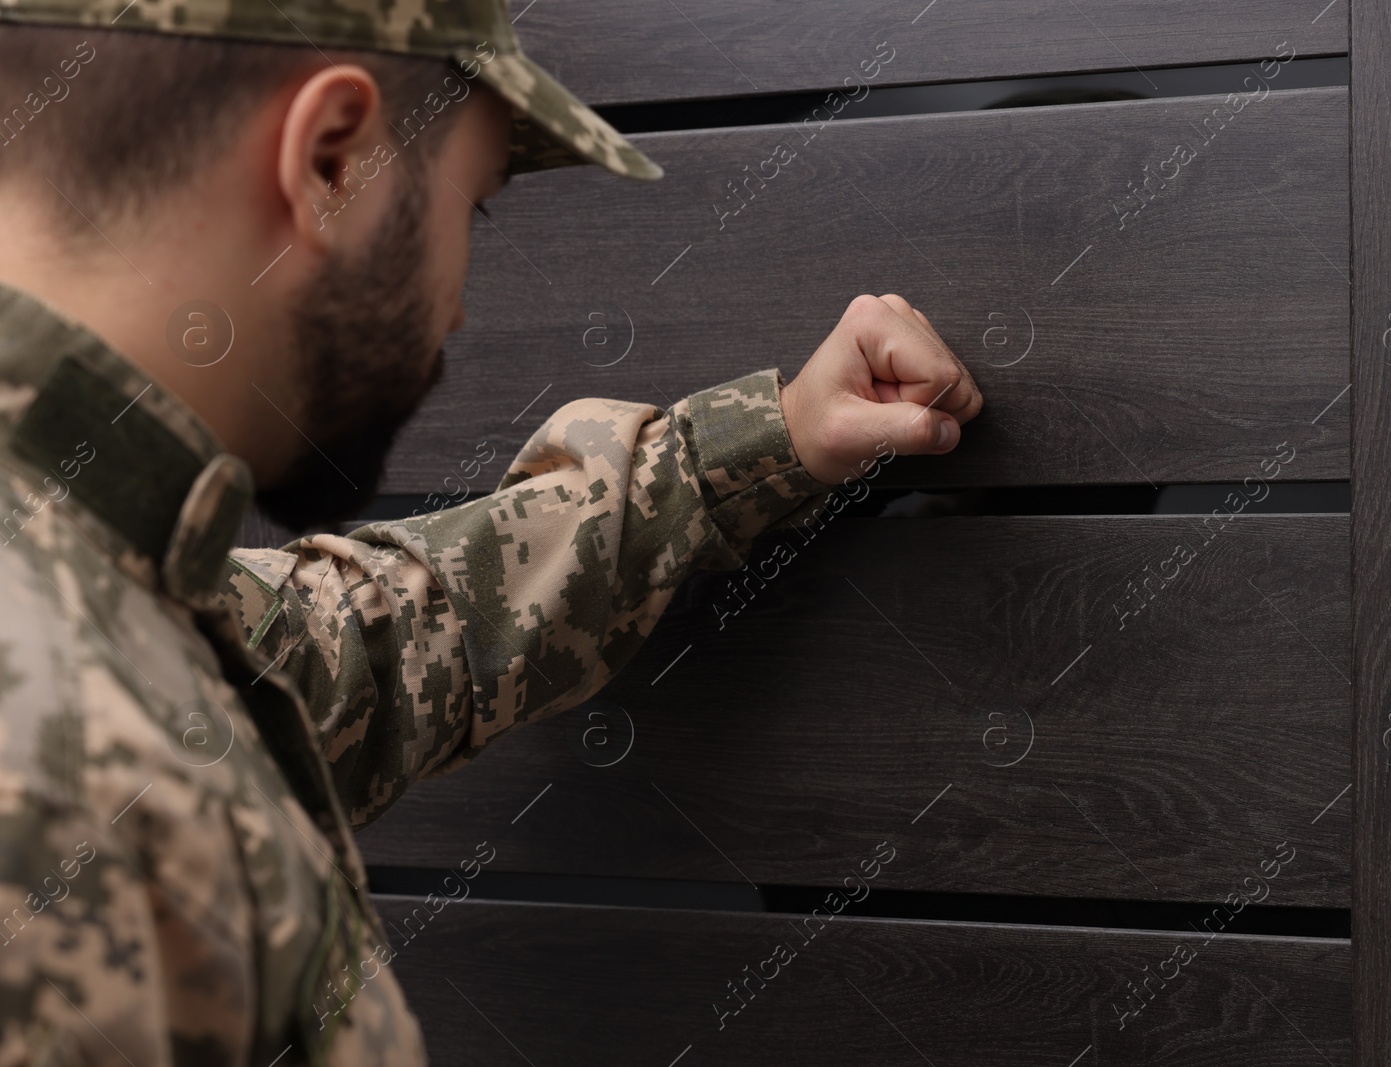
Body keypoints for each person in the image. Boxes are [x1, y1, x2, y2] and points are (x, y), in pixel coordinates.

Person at [0, 0, 983, 1062]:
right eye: (473, 206)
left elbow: (360, 647)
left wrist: (760, 439)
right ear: (332, 160)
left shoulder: (94, 579)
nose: (459, 307)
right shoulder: (55, 779)